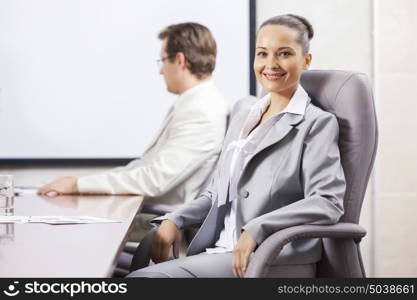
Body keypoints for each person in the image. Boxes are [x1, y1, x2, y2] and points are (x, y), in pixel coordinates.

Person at [127, 14, 346, 278]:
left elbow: (327, 202)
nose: (270, 64)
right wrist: (175, 218)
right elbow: (216, 195)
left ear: (306, 60)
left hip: (268, 258)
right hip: (218, 250)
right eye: (262, 53)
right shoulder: (245, 116)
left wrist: (258, 227)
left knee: (144, 280)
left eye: (284, 53)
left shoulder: (316, 124)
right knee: (143, 256)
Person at [38, 22, 230, 210]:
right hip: (144, 210)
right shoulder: (195, 103)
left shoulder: (201, 112)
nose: (161, 70)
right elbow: (144, 166)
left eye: (162, 61)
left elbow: (153, 179)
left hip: (157, 219)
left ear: (180, 61)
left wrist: (77, 186)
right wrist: (81, 183)